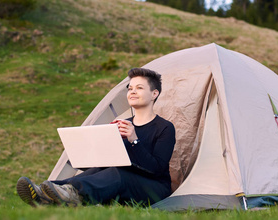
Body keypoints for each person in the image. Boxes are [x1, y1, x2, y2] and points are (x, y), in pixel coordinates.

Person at [16, 67, 176, 207]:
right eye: (130, 88)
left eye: (139, 88)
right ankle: (50, 190)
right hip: (121, 181)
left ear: (154, 93)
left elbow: (156, 169)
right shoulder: (121, 124)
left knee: (118, 174)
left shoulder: (165, 128)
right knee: (102, 169)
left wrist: (134, 140)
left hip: (153, 187)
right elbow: (105, 164)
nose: (132, 91)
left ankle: (68, 193)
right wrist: (93, 148)